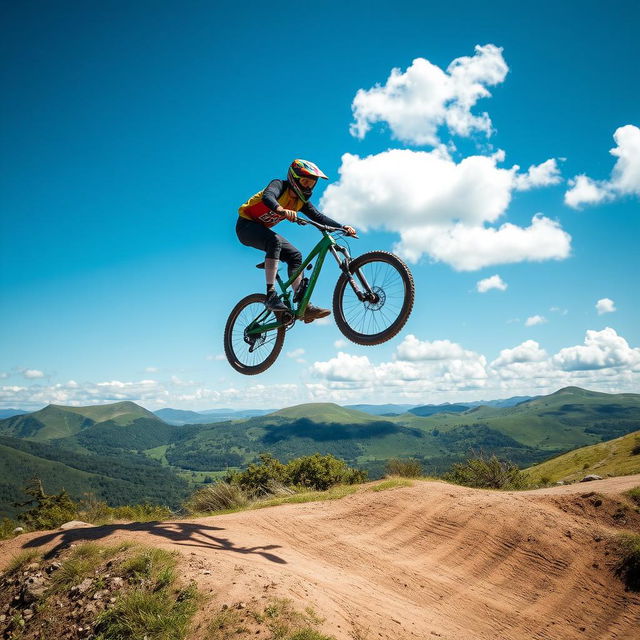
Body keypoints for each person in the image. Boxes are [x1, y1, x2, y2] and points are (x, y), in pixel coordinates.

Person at [237, 159, 356, 322]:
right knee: (275, 241)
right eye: (305, 181)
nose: (307, 186)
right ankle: (270, 294)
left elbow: (319, 217)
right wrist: (281, 210)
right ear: (294, 178)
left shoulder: (301, 202)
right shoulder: (280, 185)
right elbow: (268, 197)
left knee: (295, 255)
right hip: (245, 226)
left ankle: (303, 305)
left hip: (262, 230)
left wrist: (342, 227)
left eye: (311, 183)